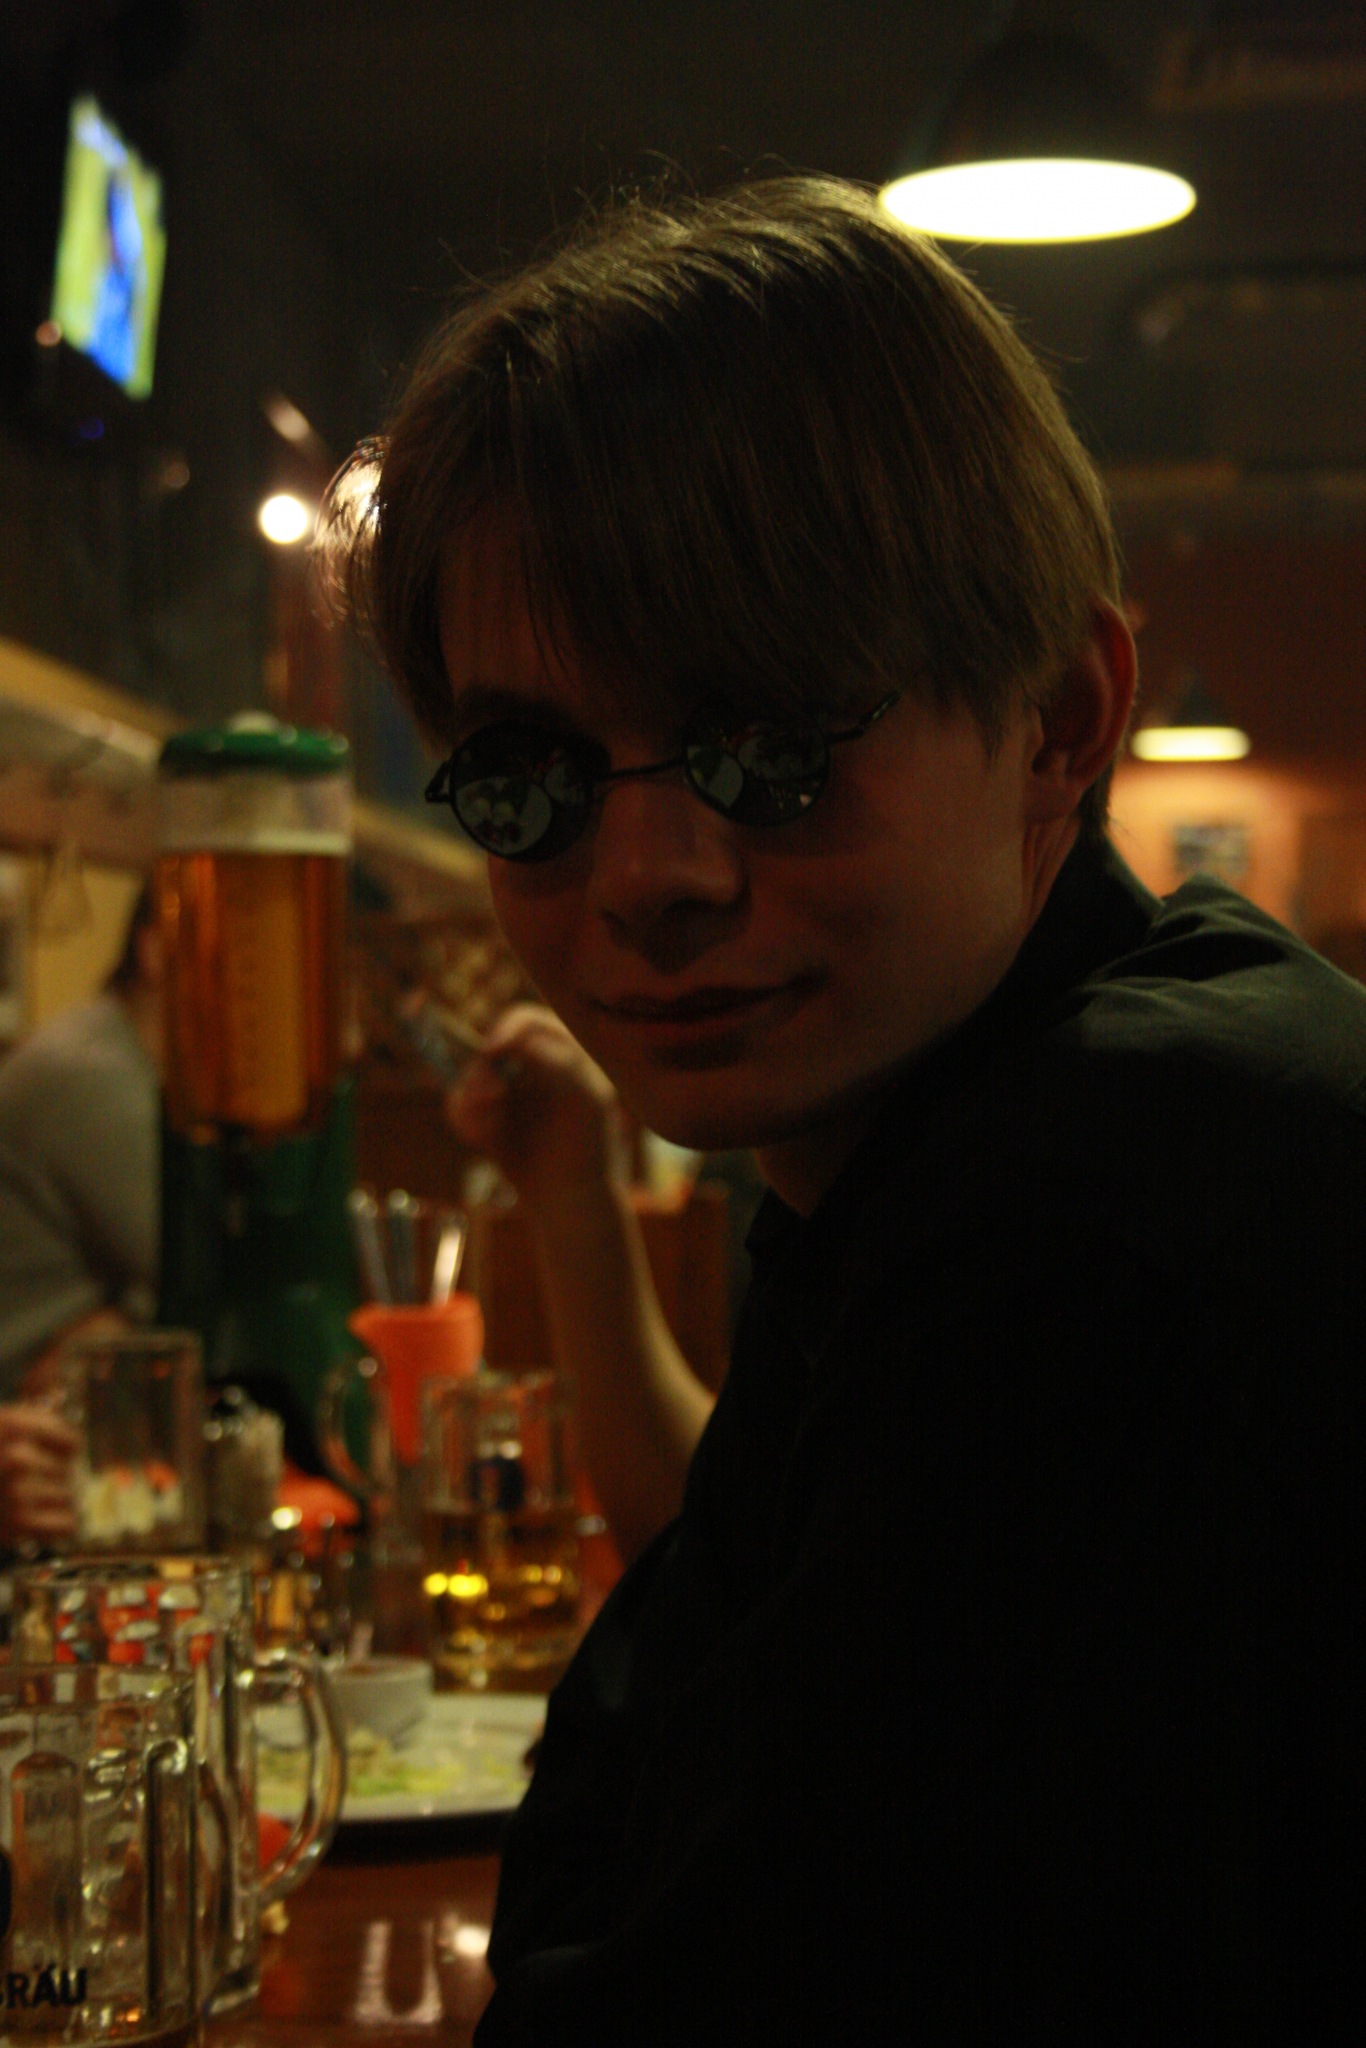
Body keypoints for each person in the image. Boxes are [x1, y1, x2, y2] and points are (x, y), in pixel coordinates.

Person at [321, 177, 1365, 2042]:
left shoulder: (1103, 1205)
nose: (646, 873)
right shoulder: (933, 1125)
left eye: (766, 740)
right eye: (528, 770)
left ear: (1059, 721)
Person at [0, 879, 162, 1545]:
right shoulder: (87, 1070)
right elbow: (200, 1280)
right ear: (158, 949)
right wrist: (134, 1317)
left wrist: (124, 1318)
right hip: (33, 1433)